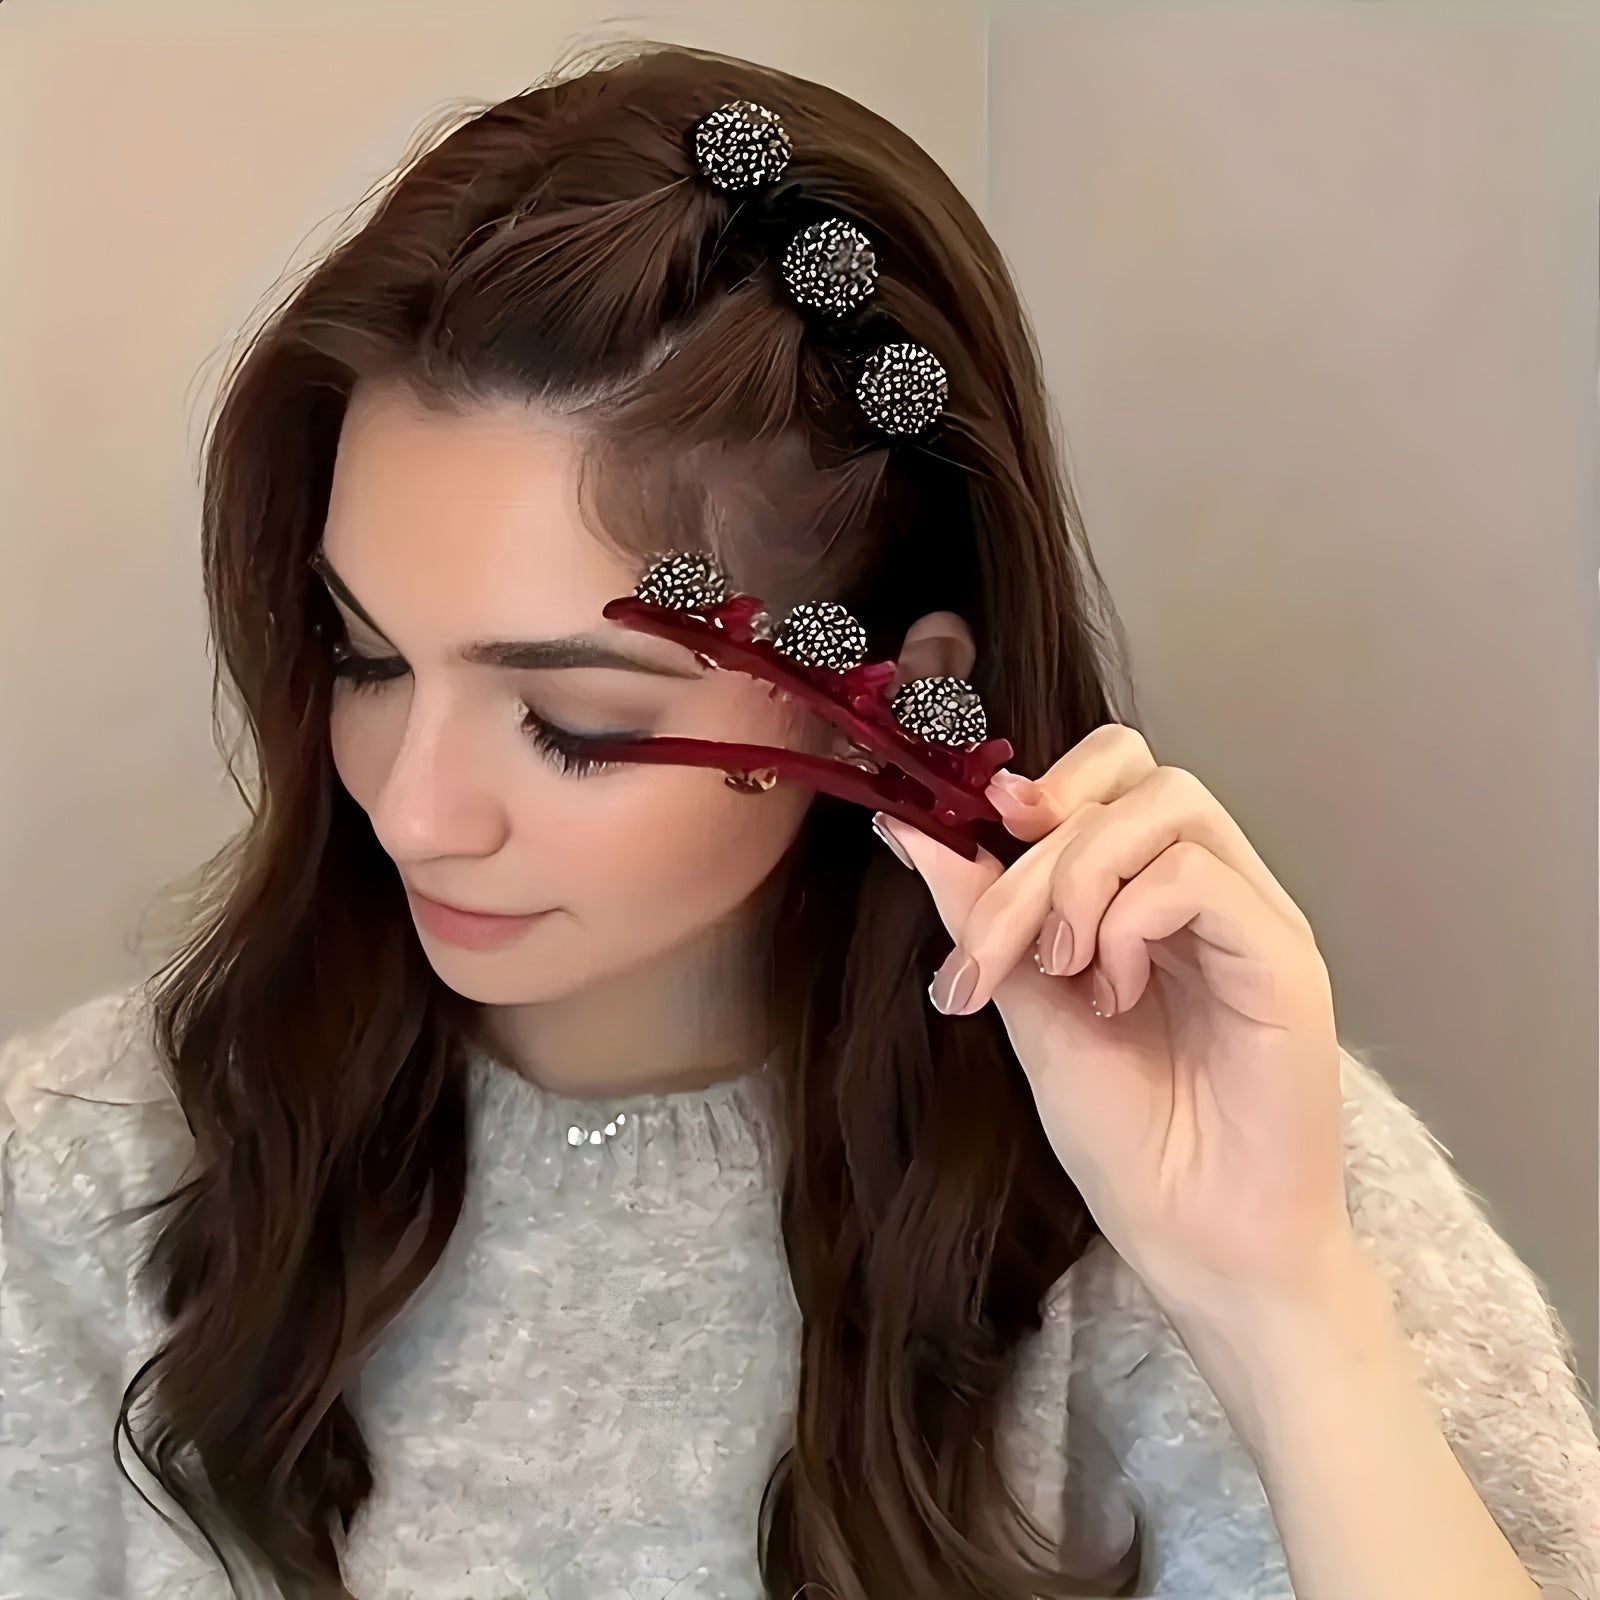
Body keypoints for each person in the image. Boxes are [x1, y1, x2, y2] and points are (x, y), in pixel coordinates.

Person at [1, 41, 1596, 1600]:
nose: (412, 813)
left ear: (893, 699)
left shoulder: (1213, 1159)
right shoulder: (101, 1168)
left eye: (576, 722)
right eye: (365, 657)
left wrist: (1279, 1305)